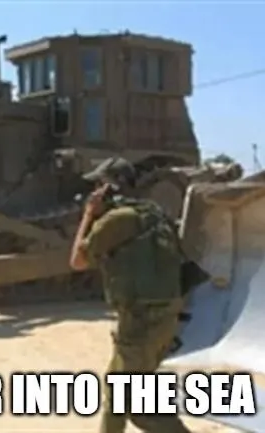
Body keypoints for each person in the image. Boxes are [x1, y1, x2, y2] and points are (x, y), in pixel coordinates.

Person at [69, 157, 192, 433]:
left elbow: (77, 260)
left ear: (109, 187)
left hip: (140, 323)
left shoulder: (118, 219)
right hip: (163, 319)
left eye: (98, 185)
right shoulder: (154, 213)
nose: (94, 191)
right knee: (136, 404)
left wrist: (88, 214)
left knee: (120, 398)